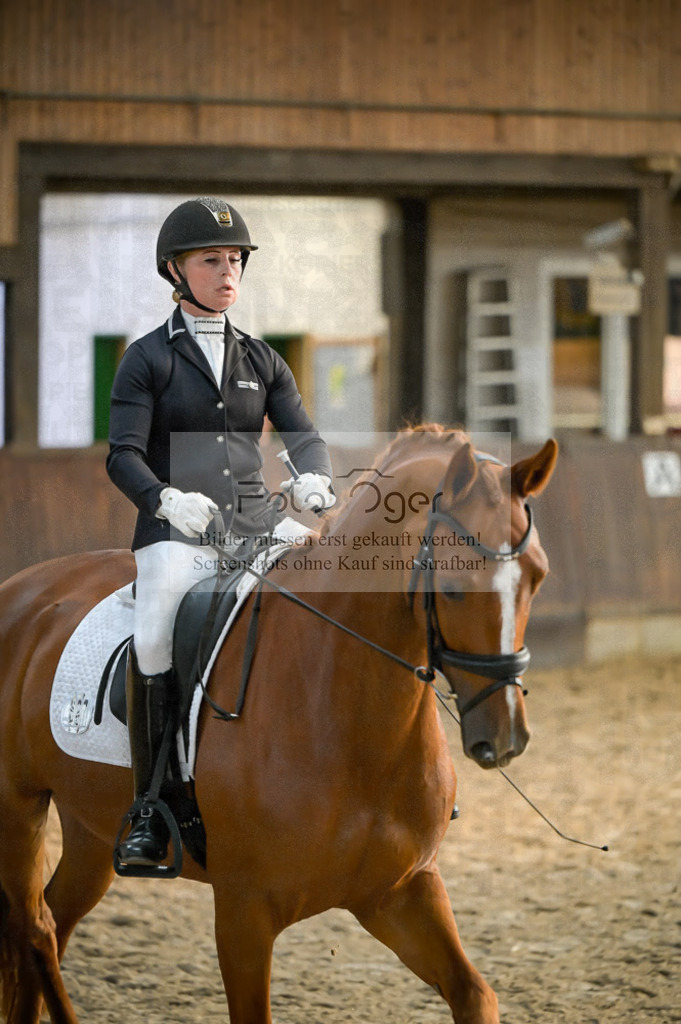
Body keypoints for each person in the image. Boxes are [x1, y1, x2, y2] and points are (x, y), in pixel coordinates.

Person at [107, 197, 335, 866]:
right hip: (175, 531)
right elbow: (121, 453)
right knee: (155, 628)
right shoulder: (145, 359)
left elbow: (303, 435)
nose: (227, 270)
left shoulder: (262, 359)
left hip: (255, 521)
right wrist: (164, 498)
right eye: (211, 259)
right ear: (176, 269)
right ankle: (152, 808)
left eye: (234, 259)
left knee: (332, 587)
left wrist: (314, 478)